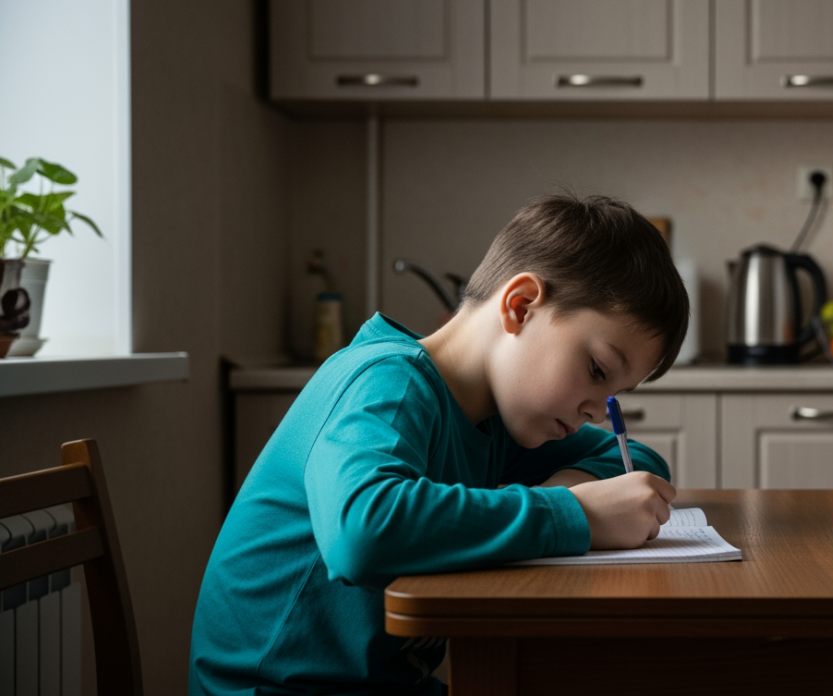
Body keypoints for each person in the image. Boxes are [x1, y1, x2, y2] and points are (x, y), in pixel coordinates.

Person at [189, 193, 691, 695]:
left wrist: (576, 489)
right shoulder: (388, 379)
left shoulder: (496, 416)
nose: (596, 412)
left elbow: (637, 463)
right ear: (520, 307)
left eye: (614, 395)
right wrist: (571, 514)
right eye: (597, 370)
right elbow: (362, 533)